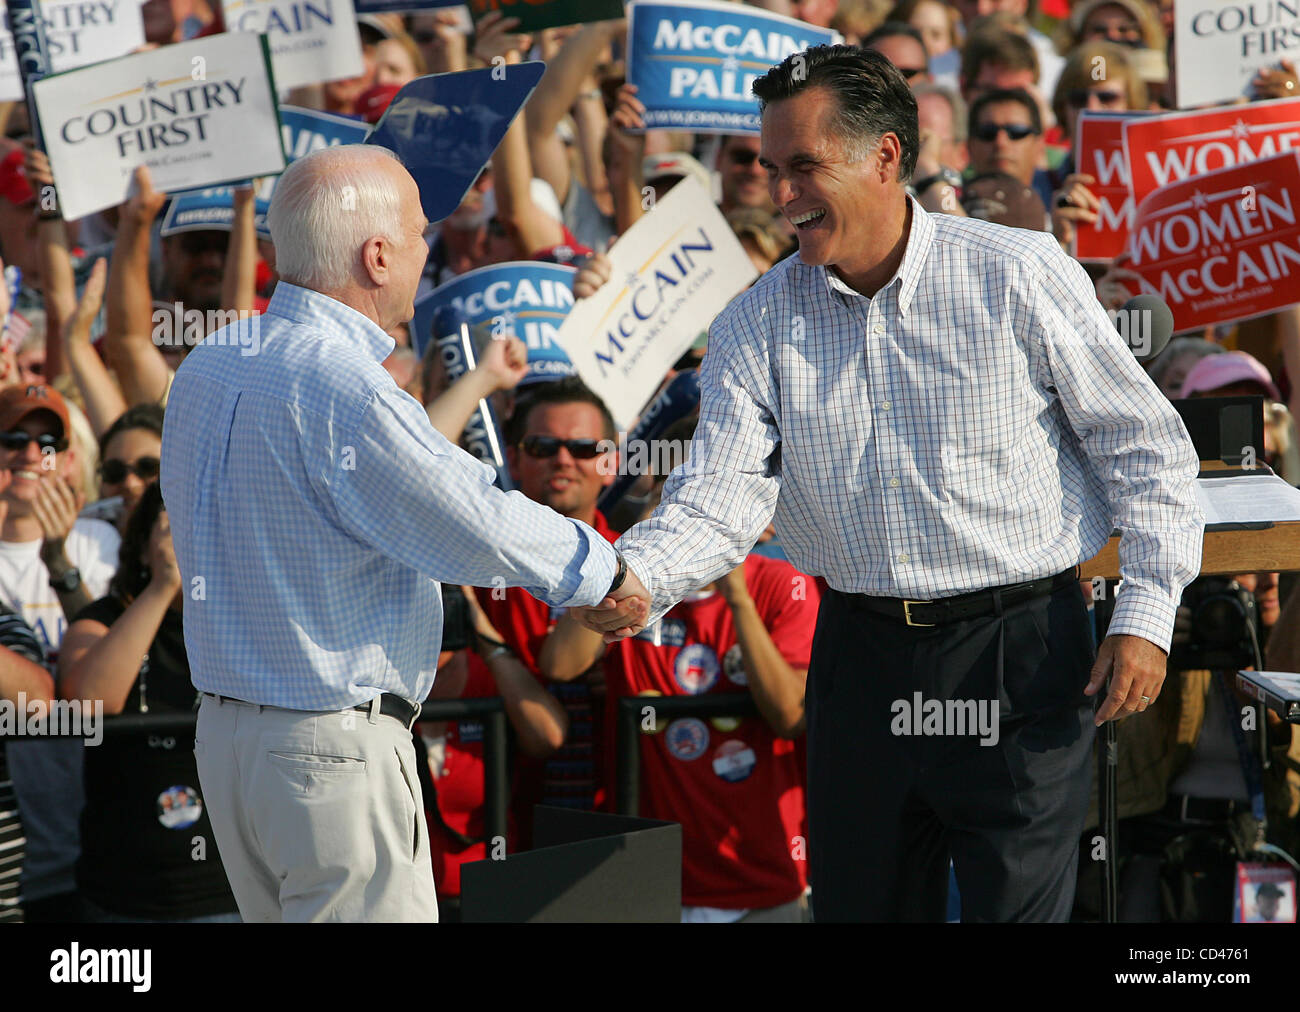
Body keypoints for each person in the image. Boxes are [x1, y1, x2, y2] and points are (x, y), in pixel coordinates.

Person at [572, 45, 1204, 922]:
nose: (782, 193)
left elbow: (1146, 449)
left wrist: (1146, 616)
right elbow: (719, 495)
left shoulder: (1016, 272)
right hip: (861, 663)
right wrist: (635, 577)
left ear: (886, 158)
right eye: (771, 168)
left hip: (1022, 658)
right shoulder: (755, 324)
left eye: (805, 168)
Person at [159, 144, 642, 923]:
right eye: (420, 236)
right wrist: (606, 576)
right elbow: (473, 518)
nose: (428, 253)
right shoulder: (346, 386)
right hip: (328, 751)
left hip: (231, 742)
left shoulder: (210, 361)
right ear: (377, 256)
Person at [58, 483, 240, 922]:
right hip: (122, 894)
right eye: (173, 525)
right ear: (142, 548)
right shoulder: (104, 618)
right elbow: (90, 701)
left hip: (227, 891)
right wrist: (162, 585)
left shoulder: (245, 624)